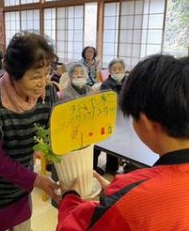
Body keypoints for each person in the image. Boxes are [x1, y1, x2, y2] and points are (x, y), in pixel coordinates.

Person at [57, 54, 189, 230]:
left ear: (145, 122)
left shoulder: (135, 197)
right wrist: (119, 194)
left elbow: (73, 226)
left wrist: (69, 197)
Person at [0, 32, 60, 231]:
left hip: (21, 174)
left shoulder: (48, 92)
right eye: (35, 77)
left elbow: (55, 132)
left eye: (46, 74)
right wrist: (36, 179)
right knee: (0, 225)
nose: (43, 82)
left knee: (23, 224)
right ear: (14, 74)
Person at [94, 58, 127, 175]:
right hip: (108, 117)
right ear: (110, 71)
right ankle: (93, 167)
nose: (117, 72)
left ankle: (112, 168)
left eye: (120, 69)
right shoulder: (106, 84)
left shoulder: (128, 82)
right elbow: (107, 101)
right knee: (106, 142)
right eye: (114, 69)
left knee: (117, 143)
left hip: (123, 117)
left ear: (124, 69)